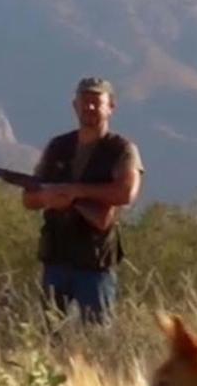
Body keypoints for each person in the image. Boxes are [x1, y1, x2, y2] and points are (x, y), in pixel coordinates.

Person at [22, 77, 144, 326]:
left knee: (97, 338)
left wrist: (77, 192)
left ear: (111, 107)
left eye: (96, 102)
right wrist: (49, 198)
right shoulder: (58, 146)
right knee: (49, 333)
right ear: (74, 106)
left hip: (95, 261)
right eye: (84, 102)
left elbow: (126, 194)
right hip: (56, 254)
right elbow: (29, 198)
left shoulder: (122, 149)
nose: (89, 108)